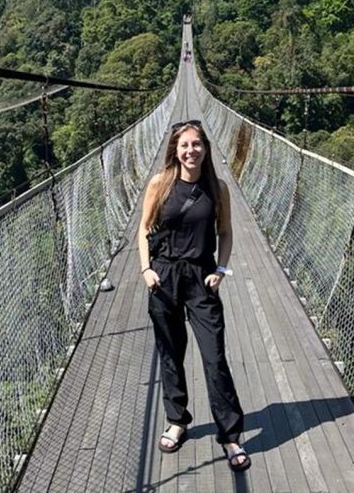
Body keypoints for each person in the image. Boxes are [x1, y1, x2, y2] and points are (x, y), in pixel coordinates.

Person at [137, 119, 251, 472]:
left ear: (205, 148)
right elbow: (143, 230)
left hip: (202, 278)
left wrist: (221, 270)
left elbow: (226, 232)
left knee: (214, 357)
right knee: (170, 354)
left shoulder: (217, 188)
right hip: (165, 276)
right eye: (184, 145)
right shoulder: (161, 183)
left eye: (196, 144)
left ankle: (230, 435)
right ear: (176, 149)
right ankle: (178, 420)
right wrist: (146, 269)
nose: (191, 150)